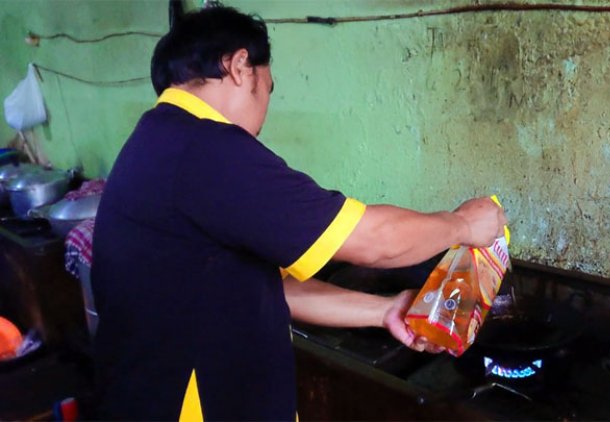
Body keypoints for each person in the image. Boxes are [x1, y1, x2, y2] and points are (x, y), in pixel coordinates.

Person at [91, 5, 507, 421]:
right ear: (240, 67)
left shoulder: (159, 142)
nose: (262, 120)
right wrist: (464, 224)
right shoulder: (205, 149)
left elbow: (273, 290)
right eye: (268, 88)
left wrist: (383, 310)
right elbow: (374, 242)